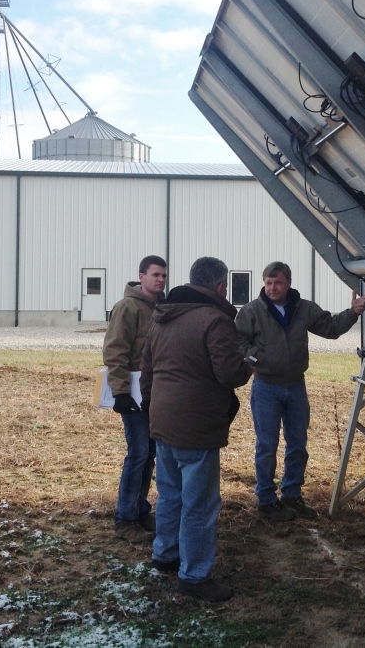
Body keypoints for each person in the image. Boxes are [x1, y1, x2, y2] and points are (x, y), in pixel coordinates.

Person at [140, 256, 253, 602]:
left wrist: (152, 411)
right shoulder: (214, 320)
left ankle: (166, 553)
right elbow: (229, 374)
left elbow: (146, 372)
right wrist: (248, 363)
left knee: (170, 493)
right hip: (196, 425)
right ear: (220, 287)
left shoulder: (162, 317)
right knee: (200, 504)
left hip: (163, 421)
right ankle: (194, 575)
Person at [236, 261, 365, 521]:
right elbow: (237, 341)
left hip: (296, 386)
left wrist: (352, 313)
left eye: (278, 283)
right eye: (268, 283)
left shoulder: (303, 308)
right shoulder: (252, 311)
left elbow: (330, 328)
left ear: (288, 283)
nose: (272, 288)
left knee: (298, 444)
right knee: (267, 445)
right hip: (266, 387)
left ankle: (292, 495)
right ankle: (265, 500)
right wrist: (256, 358)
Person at [103, 255, 168, 544]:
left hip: (154, 394)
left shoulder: (164, 308)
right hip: (133, 395)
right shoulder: (127, 307)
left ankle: (141, 510)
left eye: (163, 275)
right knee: (138, 453)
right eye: (155, 275)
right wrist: (119, 392)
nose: (160, 280)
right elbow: (115, 351)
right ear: (141, 276)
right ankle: (125, 519)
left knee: (150, 454)